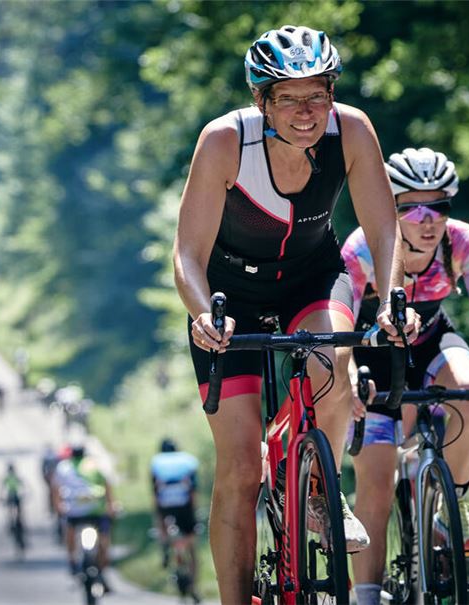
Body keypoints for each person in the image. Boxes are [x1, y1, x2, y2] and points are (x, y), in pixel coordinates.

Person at [172, 24, 414, 602]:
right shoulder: (224, 141)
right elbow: (185, 254)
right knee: (238, 470)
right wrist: (205, 315)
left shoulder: (351, 130)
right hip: (231, 302)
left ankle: (316, 495)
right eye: (288, 97)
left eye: (318, 94)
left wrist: (392, 298)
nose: (306, 111)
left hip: (311, 278)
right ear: (262, 100)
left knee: (332, 357)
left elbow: (384, 230)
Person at [343, 147, 469, 605]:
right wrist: (347, 374)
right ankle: (367, 594)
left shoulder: (463, 241)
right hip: (371, 353)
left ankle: (453, 504)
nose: (428, 221)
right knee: (377, 479)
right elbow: (338, 324)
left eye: (439, 207)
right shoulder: (362, 246)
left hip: (427, 339)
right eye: (413, 208)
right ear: (391, 208)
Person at [51, 444, 116, 591]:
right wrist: (111, 505)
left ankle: (72, 561)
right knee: (104, 542)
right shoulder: (95, 464)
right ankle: (101, 569)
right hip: (97, 512)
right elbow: (107, 485)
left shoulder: (63, 467)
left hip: (74, 513)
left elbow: (55, 489)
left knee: (70, 534)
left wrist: (58, 507)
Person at [150, 439, 200, 577]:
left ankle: (164, 546)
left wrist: (156, 512)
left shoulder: (156, 461)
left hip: (165, 504)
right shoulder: (187, 459)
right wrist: (194, 510)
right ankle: (194, 583)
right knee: (191, 544)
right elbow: (194, 489)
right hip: (184, 504)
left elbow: (154, 491)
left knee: (161, 523)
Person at [0, 461, 27, 550]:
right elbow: (1, 488)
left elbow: (24, 486)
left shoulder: (14, 477)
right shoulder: (8, 478)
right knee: (13, 512)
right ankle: (12, 523)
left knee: (18, 513)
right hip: (12, 496)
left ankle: (18, 523)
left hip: (15, 496)